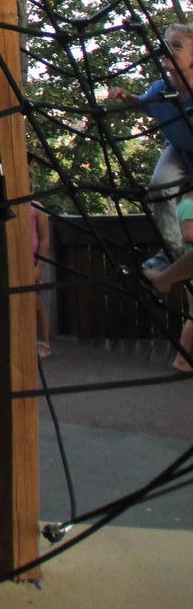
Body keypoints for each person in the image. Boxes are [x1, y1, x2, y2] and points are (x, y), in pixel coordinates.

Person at [107, 21, 193, 270]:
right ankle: (172, 250)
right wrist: (126, 97)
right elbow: (143, 104)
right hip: (178, 148)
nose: (167, 50)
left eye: (177, 46)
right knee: (158, 187)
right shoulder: (160, 90)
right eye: (165, 45)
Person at [142, 183, 193, 373]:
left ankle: (183, 358)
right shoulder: (190, 205)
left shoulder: (182, 204)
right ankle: (182, 359)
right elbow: (188, 235)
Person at [30, 201, 52, 359]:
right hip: (17, 260)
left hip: (33, 262)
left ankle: (44, 341)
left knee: (37, 301)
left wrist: (40, 266)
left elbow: (45, 239)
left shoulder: (36, 207)